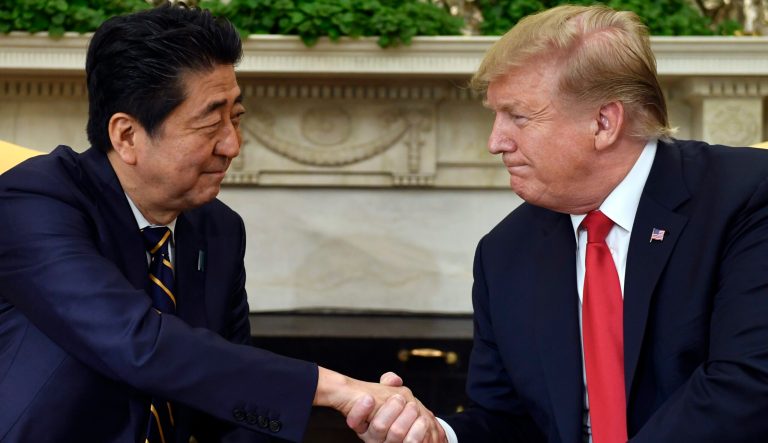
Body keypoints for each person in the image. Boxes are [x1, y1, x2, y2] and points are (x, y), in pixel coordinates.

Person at [0, 4, 445, 443]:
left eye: (236, 118)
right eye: (211, 123)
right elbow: (136, 342)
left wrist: (361, 418)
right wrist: (335, 390)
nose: (232, 145)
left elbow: (226, 407)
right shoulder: (33, 200)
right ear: (127, 135)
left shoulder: (217, 228)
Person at [354, 4, 768, 443]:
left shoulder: (746, 198)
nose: (495, 142)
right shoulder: (504, 253)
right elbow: (510, 421)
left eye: (519, 116)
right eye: (494, 116)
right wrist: (438, 434)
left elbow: (748, 385)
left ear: (604, 122)